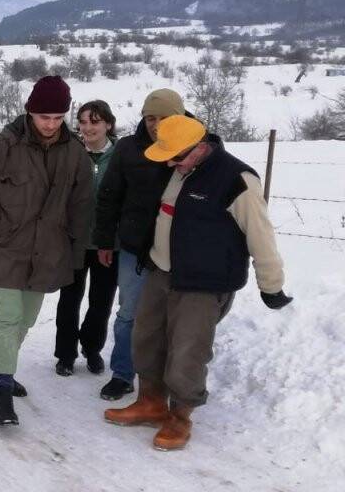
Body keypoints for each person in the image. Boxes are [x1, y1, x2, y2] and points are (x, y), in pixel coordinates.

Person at [105, 116, 292, 451]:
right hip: (161, 271)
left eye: (177, 157)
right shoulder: (177, 169)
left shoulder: (237, 180)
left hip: (203, 284)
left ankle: (180, 417)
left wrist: (271, 285)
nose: (171, 164)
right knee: (146, 338)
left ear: (201, 147)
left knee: (187, 352)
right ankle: (150, 401)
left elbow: (261, 236)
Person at [0, 75, 93, 426]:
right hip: (4, 248)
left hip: (48, 253)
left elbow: (81, 207)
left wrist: (77, 256)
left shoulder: (75, 153)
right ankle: (3, 391)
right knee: (9, 316)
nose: (50, 124)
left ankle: (4, 367)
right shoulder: (2, 148)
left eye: (58, 117)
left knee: (27, 318)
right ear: (30, 112)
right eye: (44, 116)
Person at [91, 89, 186, 400]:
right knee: (129, 313)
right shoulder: (129, 149)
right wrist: (105, 240)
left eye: (164, 118)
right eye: (150, 118)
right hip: (135, 246)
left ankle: (172, 379)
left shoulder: (200, 146)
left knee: (177, 317)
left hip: (181, 249)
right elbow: (109, 196)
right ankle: (122, 373)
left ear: (180, 116)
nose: (156, 125)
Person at [54, 100, 119, 377]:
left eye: (95, 121)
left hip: (108, 243)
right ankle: (65, 354)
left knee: (101, 302)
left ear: (108, 124)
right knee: (69, 300)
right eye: (83, 121)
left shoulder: (120, 156)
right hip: (74, 241)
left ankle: (92, 349)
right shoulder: (69, 153)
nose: (88, 127)